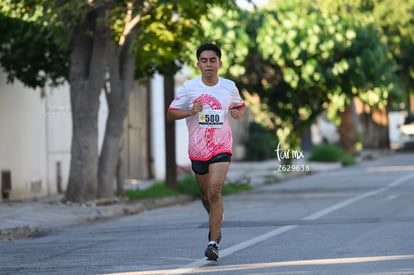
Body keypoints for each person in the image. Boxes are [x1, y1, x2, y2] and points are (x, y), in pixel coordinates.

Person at [167, 43, 247, 261]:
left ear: (219, 63)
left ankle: (212, 243)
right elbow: (171, 113)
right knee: (205, 196)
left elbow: (240, 105)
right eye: (204, 60)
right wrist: (190, 111)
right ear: (198, 64)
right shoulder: (189, 88)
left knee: (214, 192)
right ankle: (216, 221)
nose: (209, 64)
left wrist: (239, 112)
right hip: (198, 149)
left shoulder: (229, 86)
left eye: (213, 60)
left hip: (221, 146)